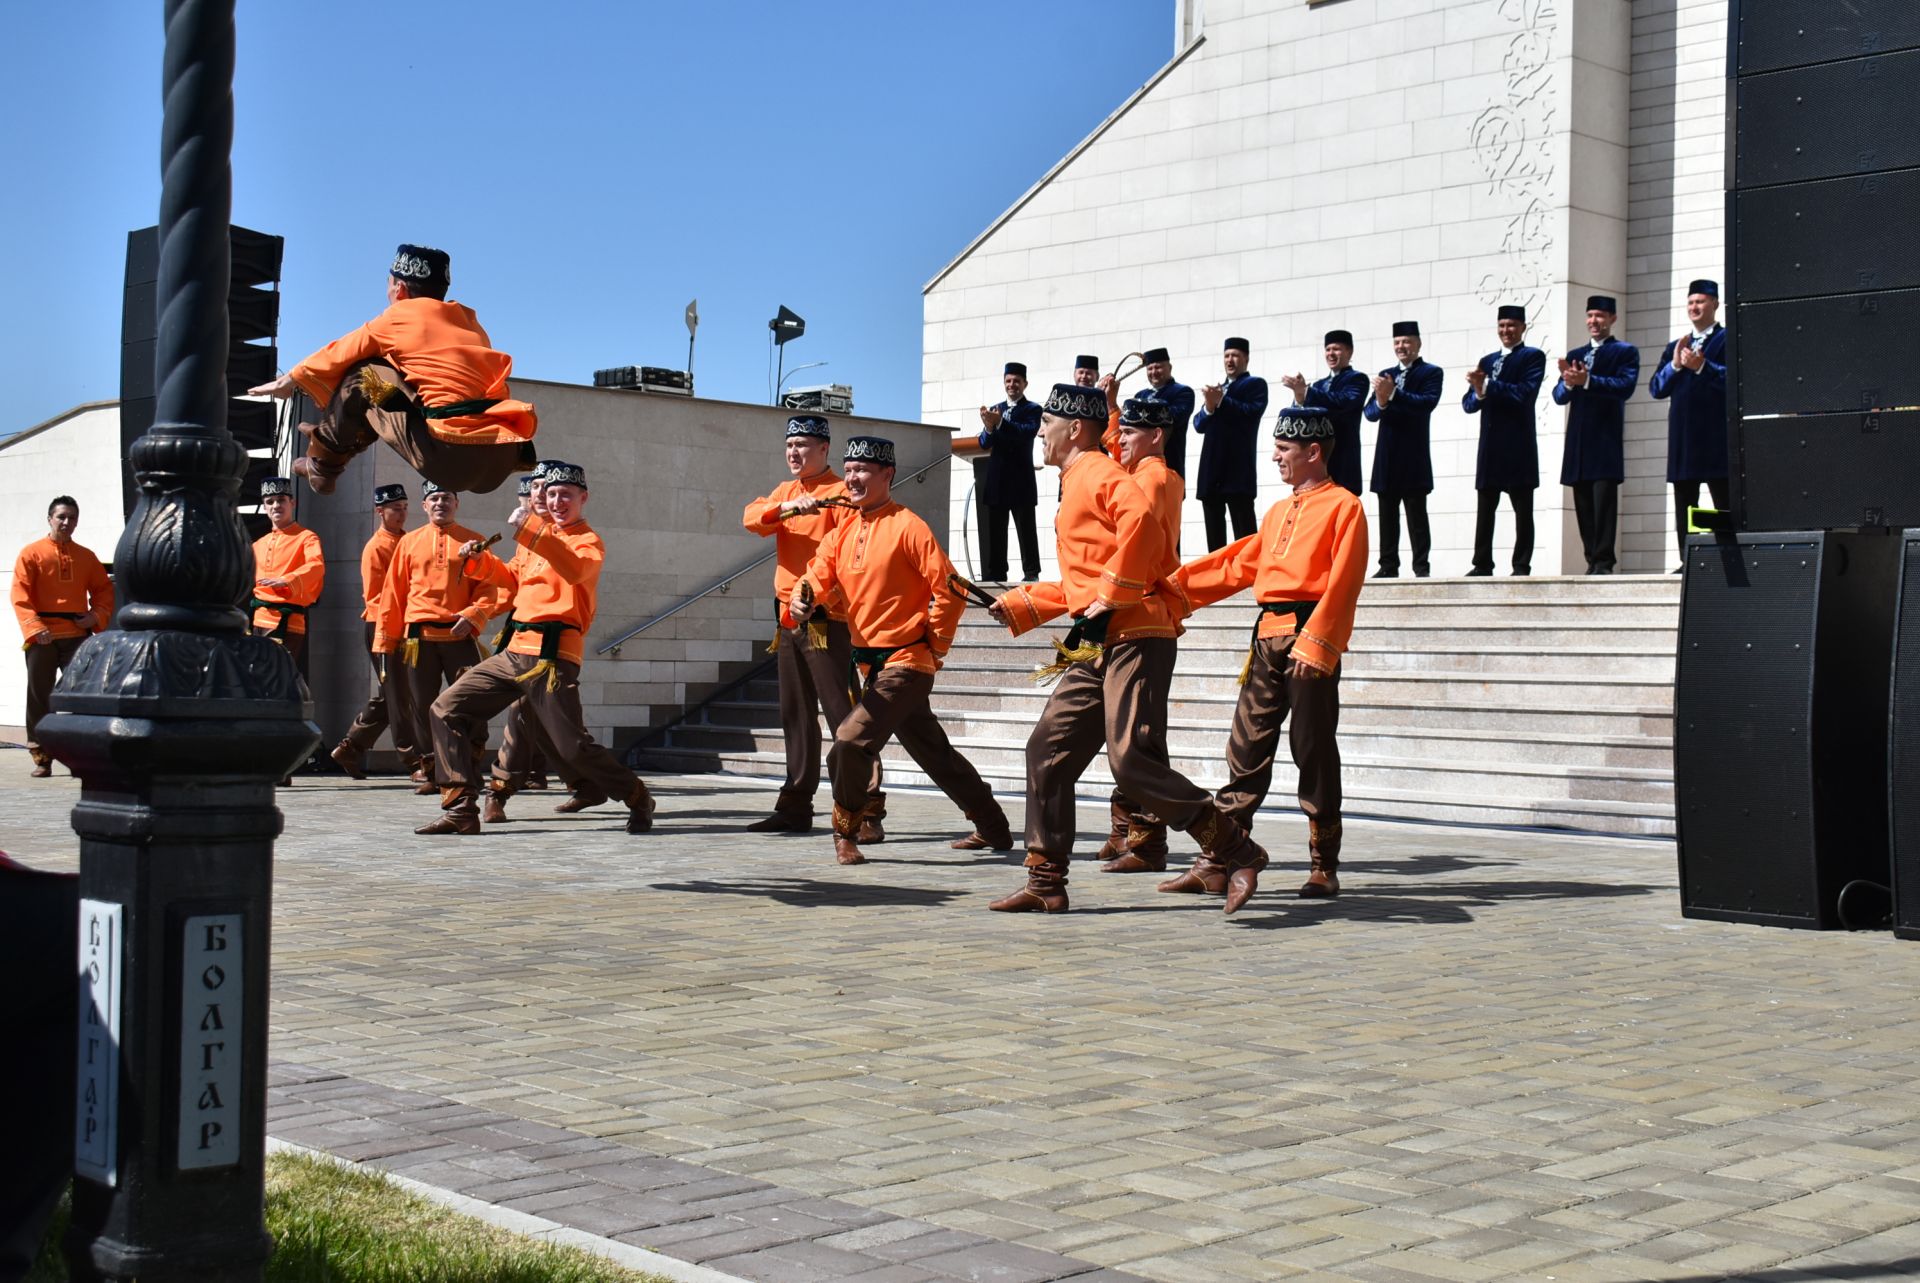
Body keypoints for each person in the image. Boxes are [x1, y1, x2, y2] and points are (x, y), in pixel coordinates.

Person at [986, 389, 1269, 914]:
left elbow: (1141, 524)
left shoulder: (1099, 471)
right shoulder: (1079, 479)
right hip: (1102, 640)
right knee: (1046, 751)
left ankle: (1236, 849)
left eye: (1046, 421)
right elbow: (1085, 581)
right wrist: (1023, 603)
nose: (1038, 431)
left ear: (1074, 429)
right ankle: (1045, 880)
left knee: (1132, 760)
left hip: (1138, 633)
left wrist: (1114, 593)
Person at [1170, 405, 1368, 901]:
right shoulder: (1279, 510)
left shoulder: (1346, 506)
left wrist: (1319, 642)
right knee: (1247, 747)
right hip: (1267, 635)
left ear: (1314, 452)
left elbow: (1343, 583)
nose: (1275, 457)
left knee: (1313, 749)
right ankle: (1218, 858)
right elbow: (1240, 562)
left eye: (1284, 449)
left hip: (1308, 636)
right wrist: (1172, 588)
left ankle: (1324, 864)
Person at [787, 436, 1012, 866]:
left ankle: (846, 829)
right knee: (933, 751)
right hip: (869, 665)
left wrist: (935, 642)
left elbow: (950, 591)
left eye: (863, 470)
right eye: (849, 469)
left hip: (908, 661)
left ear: (887, 475)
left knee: (850, 741)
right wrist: (804, 598)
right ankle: (994, 826)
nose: (852, 478)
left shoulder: (909, 526)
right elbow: (817, 575)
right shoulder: (844, 530)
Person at [425, 463, 657, 835]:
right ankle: (459, 808)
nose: (557, 500)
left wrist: (531, 530)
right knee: (445, 708)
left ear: (584, 498)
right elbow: (511, 580)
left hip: (551, 656)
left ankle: (636, 795)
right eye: (551, 494)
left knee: (572, 748)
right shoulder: (537, 537)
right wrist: (479, 560)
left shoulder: (586, 541)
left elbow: (575, 570)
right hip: (514, 651)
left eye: (566, 494)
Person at [248, 244, 537, 496]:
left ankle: (324, 463)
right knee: (391, 380)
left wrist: (289, 380)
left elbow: (339, 353)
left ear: (399, 289)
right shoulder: (470, 322)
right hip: (502, 455)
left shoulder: (399, 316)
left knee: (365, 373)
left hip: (453, 456)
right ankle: (336, 439)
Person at [739, 415, 882, 834]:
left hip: (827, 619)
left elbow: (846, 560)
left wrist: (814, 596)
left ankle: (868, 807)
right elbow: (750, 517)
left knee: (846, 717)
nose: (794, 453)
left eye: (803, 444)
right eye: (789, 445)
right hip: (788, 618)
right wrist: (786, 508)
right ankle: (796, 803)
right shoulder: (786, 492)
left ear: (824, 449)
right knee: (795, 715)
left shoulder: (842, 493)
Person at [373, 481, 506, 798]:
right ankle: (432, 772)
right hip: (419, 639)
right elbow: (393, 594)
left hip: (459, 636)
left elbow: (494, 587)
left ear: (456, 503)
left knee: (471, 705)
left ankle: (471, 770)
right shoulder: (409, 543)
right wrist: (385, 642)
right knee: (421, 708)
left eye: (447, 497)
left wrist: (475, 614)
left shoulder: (473, 542)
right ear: (424, 505)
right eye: (433, 498)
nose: (440, 503)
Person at [11, 496, 112, 778]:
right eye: (62, 517)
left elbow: (104, 589)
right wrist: (34, 627)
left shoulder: (86, 556)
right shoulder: (31, 554)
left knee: (84, 692)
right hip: (42, 636)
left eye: (72, 518)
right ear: (50, 519)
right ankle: (41, 755)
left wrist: (96, 616)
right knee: (39, 693)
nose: (67, 523)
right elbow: (20, 594)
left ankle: (84, 751)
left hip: (76, 635)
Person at [331, 483, 422, 779]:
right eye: (396, 508)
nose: (402, 513)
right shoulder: (376, 547)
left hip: (407, 624)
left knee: (393, 693)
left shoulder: (408, 541)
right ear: (380, 511)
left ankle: (351, 747)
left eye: (405, 507)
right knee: (399, 696)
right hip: (382, 625)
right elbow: (374, 597)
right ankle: (412, 760)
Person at [1554, 295, 1641, 574]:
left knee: (1603, 504)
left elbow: (1624, 386)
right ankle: (1591, 559)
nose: (1594, 321)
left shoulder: (1625, 352)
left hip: (1604, 439)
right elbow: (1558, 396)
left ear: (1612, 319)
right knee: (1582, 505)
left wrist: (1588, 381)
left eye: (1600, 316)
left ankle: (1604, 562)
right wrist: (1569, 383)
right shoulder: (1575, 355)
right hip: (1579, 441)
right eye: (1590, 315)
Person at [1462, 306, 1547, 577]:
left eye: (1511, 325)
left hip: (1518, 444)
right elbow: (1468, 403)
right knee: (1486, 506)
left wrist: (1487, 386)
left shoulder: (1532, 356)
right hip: (1490, 444)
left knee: (1523, 508)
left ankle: (1521, 564)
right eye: (1501, 325)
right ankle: (1481, 563)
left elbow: (1525, 392)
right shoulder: (1487, 361)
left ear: (1523, 327)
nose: (1506, 331)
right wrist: (1479, 391)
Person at [1651, 279, 1729, 565]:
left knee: (1722, 502)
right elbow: (1656, 389)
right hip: (1683, 439)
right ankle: (1689, 560)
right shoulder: (1677, 345)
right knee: (1686, 504)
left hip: (1715, 437)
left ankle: (1727, 555)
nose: (1694, 307)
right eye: (1691, 302)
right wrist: (1675, 365)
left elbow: (1734, 380)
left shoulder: (1727, 338)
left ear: (1715, 304)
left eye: (1701, 301)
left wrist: (1703, 366)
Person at [1363, 322, 1442, 578]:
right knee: (1387, 515)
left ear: (1418, 344)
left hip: (1414, 454)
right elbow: (1370, 413)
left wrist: (1394, 394)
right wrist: (1382, 400)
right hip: (1387, 454)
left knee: (1416, 515)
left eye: (1407, 342)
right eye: (1397, 342)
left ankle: (1421, 567)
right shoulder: (1386, 374)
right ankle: (1388, 566)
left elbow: (1426, 403)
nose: (1401, 347)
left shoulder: (1431, 373)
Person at [1193, 337, 1268, 550]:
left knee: (1244, 529)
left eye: (1235, 355)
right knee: (1214, 532)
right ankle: (1216, 576)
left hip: (1237, 468)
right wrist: (1209, 406)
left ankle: (1250, 575)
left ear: (1246, 358)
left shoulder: (1255, 384)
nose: (1230, 360)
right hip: (1211, 468)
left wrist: (1222, 401)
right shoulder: (1217, 389)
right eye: (1226, 355)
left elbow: (1251, 412)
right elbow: (1198, 425)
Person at [975, 362, 1043, 583]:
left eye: (1016, 381)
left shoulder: (1032, 409)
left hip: (1020, 478)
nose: (1012, 385)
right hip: (997, 479)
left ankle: (1031, 573)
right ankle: (996, 573)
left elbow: (1026, 433)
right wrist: (988, 426)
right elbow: (985, 443)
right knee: (996, 530)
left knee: (1026, 528)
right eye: (1008, 381)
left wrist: (1001, 422)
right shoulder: (996, 408)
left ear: (1024, 384)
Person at [1282, 330, 1369, 495]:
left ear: (1349, 352)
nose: (1331, 353)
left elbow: (1344, 402)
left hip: (1343, 456)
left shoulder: (1357, 379)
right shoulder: (1318, 385)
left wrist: (1307, 392)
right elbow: (1306, 416)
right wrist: (1299, 397)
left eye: (1336, 349)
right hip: (1319, 459)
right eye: (1328, 349)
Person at [250, 476, 324, 662]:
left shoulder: (307, 537)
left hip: (287, 623)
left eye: (281, 500)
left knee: (278, 680)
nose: (276, 505)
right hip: (258, 622)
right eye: (270, 502)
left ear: (292, 503)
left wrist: (288, 579)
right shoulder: (258, 544)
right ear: (265, 507)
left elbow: (316, 566)